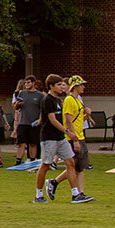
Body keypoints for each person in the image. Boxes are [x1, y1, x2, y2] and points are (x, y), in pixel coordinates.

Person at [35, 74, 90, 203]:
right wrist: (68, 132)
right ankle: (39, 195)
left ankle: (75, 194)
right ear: (51, 86)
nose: (62, 87)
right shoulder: (47, 100)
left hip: (60, 138)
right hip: (49, 138)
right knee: (45, 165)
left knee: (71, 163)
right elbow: (52, 120)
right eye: (59, 85)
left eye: (62, 84)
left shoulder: (58, 100)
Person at [48, 76, 95, 203]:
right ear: (75, 86)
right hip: (73, 138)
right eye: (81, 85)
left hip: (80, 136)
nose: (84, 87)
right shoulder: (69, 100)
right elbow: (68, 120)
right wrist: (74, 139)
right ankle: (61, 186)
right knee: (73, 166)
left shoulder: (78, 101)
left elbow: (78, 120)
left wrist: (87, 115)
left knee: (80, 167)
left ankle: (80, 193)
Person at [15, 76, 45, 165]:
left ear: (33, 83)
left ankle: (32, 160)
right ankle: (18, 161)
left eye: (28, 82)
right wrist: (17, 104)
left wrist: (40, 119)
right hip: (23, 121)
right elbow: (16, 107)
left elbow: (42, 110)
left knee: (33, 143)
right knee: (21, 143)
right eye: (25, 83)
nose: (26, 84)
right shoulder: (22, 93)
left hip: (34, 123)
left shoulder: (40, 95)